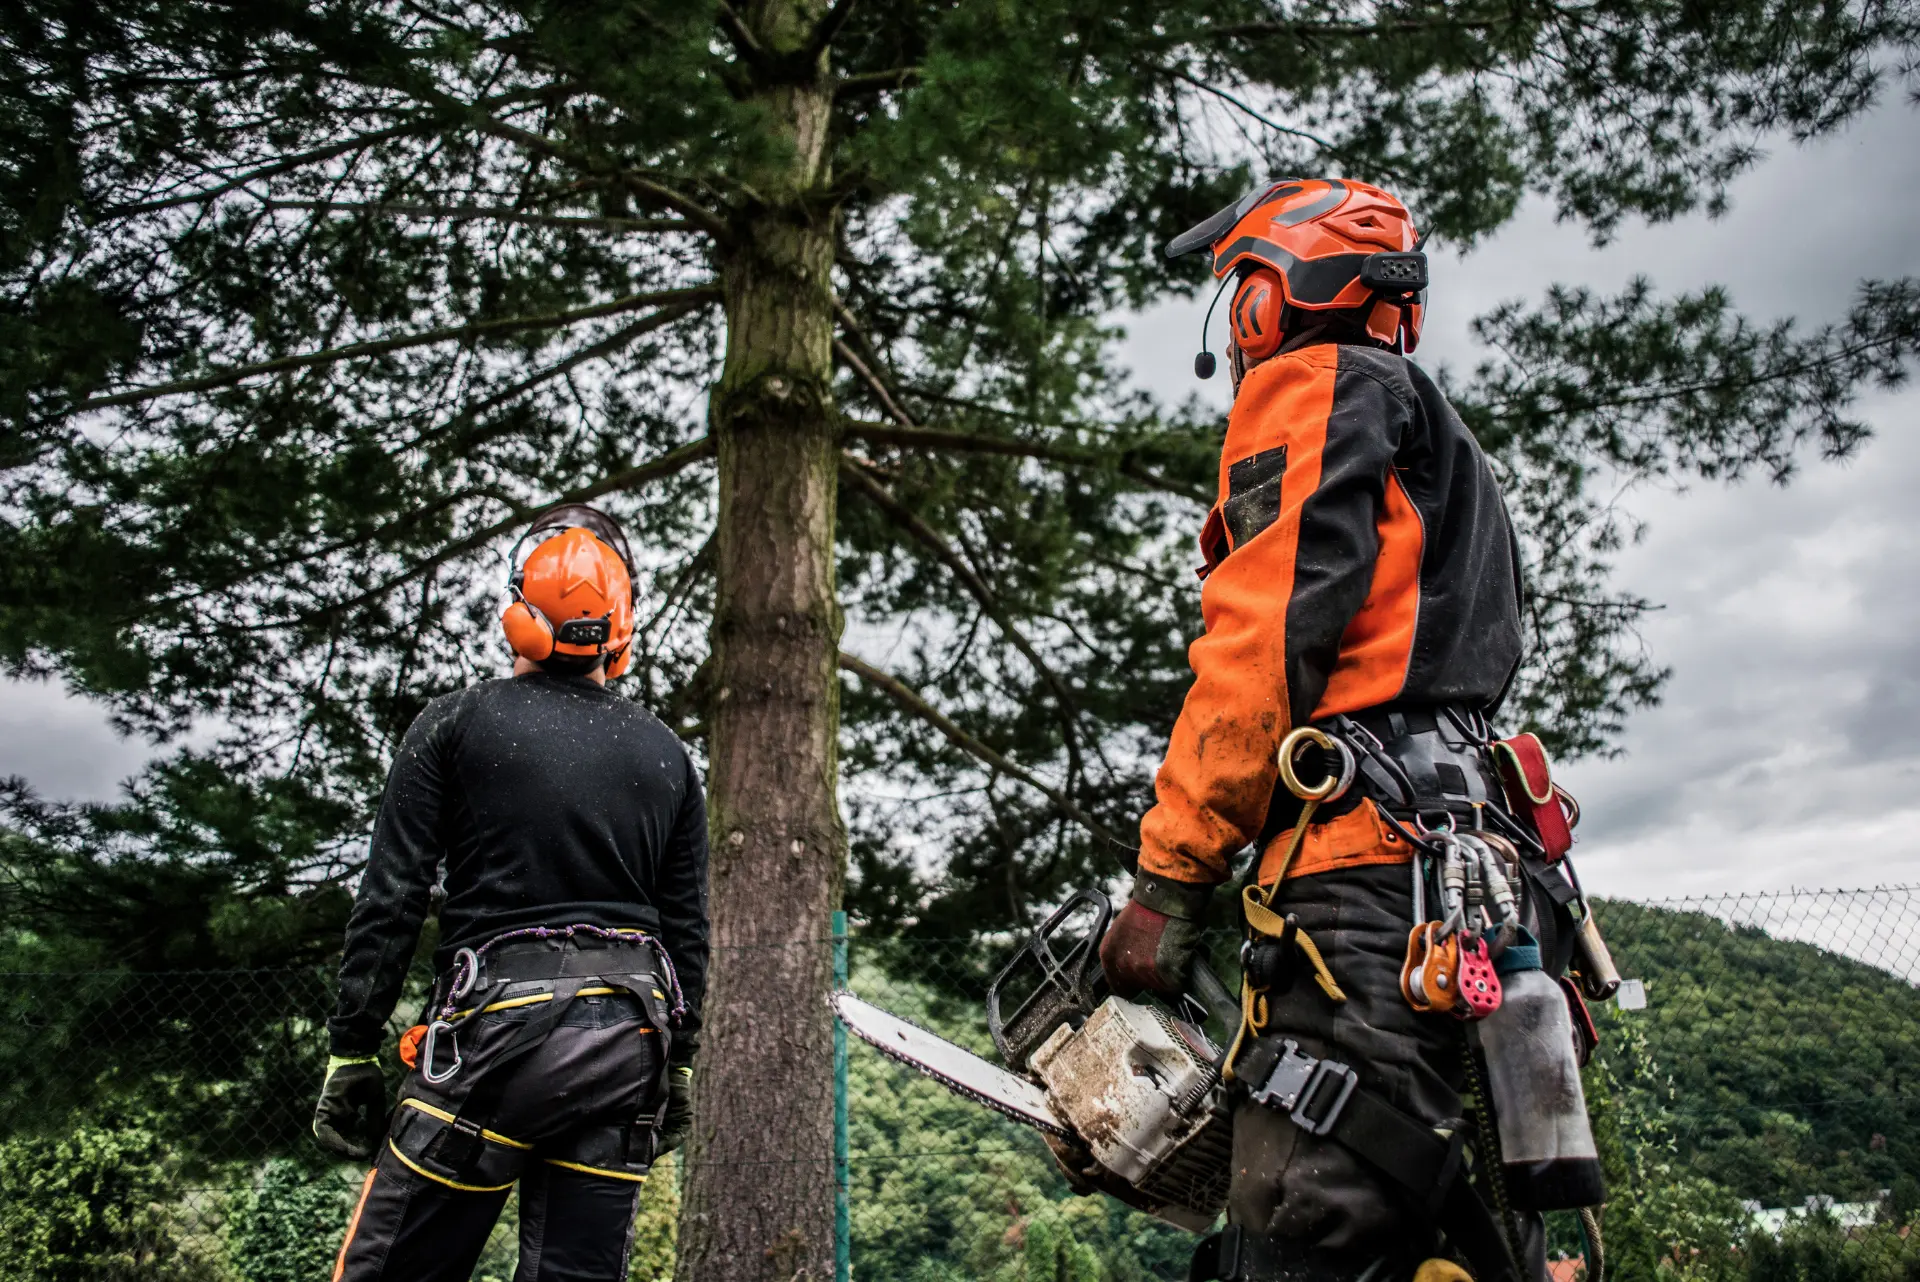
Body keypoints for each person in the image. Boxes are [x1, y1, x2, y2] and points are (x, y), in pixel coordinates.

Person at [1099, 179, 1577, 1282]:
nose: (1241, 323)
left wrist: (1168, 879)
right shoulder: (1443, 440)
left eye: (1242, 293)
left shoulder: (1312, 388)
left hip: (1365, 892)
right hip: (1482, 883)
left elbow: (1259, 648)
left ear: (1274, 292)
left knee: (1308, 1237)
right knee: (1460, 1241)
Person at [312, 503, 710, 1282]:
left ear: (518, 618)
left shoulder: (454, 725)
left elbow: (392, 898)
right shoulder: (667, 755)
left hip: (491, 1043)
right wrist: (681, 1068)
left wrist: (352, 1047)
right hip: (628, 1052)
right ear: (620, 634)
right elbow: (686, 931)